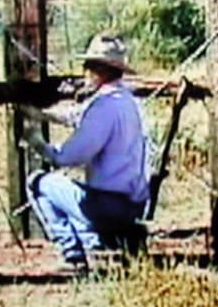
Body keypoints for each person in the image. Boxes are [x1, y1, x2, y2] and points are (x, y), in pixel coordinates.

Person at [23, 33, 149, 270]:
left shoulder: (104, 106)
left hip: (111, 206)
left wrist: (40, 145)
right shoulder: (126, 100)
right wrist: (43, 114)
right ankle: (95, 245)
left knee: (39, 183)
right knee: (76, 197)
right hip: (133, 203)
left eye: (89, 66)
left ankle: (74, 256)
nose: (85, 71)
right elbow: (79, 115)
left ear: (99, 70)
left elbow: (68, 157)